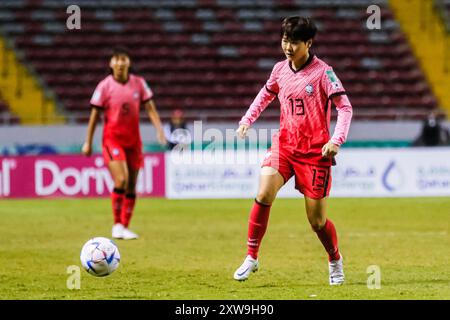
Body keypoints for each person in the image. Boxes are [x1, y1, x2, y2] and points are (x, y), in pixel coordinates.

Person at [234, 17, 353, 285]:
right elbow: (265, 94)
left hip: (315, 153)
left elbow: (345, 108)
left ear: (308, 43)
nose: (287, 46)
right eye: (285, 40)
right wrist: (246, 120)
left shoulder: (324, 73)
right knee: (264, 192)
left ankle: (335, 259)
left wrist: (336, 140)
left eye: (294, 42)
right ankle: (251, 257)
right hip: (285, 145)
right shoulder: (279, 69)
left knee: (317, 221)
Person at [82, 47, 167, 240]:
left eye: (123, 59)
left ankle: (125, 226)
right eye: (116, 59)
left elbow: (151, 109)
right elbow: (95, 115)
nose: (120, 63)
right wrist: (88, 142)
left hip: (134, 141)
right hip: (112, 139)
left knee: (131, 184)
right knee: (121, 179)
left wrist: (160, 130)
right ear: (111, 64)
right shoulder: (104, 86)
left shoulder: (139, 83)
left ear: (128, 62)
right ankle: (117, 224)